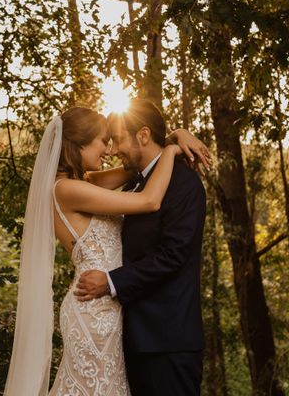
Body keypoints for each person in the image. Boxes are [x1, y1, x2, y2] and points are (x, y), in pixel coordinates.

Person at [3, 106, 210, 396]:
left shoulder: (88, 184)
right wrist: (172, 148)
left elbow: (135, 167)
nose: (110, 150)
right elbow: (149, 200)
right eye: (104, 140)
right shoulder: (67, 190)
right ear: (79, 145)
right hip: (96, 309)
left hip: (147, 329)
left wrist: (173, 138)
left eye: (114, 140)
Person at [75, 99, 207, 395]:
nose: (112, 150)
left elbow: (172, 255)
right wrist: (174, 139)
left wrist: (109, 282)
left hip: (169, 343)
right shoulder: (135, 184)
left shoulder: (184, 183)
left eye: (119, 140)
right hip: (136, 338)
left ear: (143, 135)